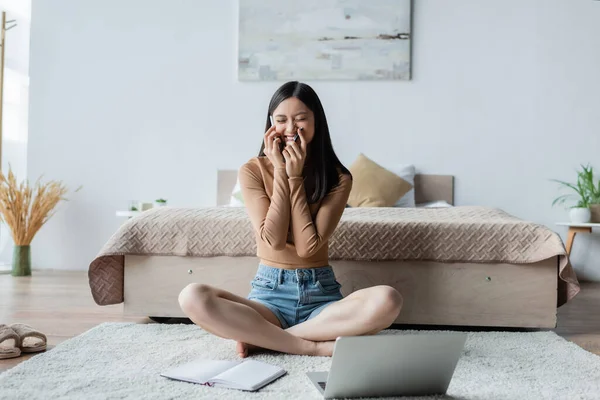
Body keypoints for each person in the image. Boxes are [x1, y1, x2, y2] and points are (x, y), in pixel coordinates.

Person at [178, 81, 403, 358]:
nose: (290, 129)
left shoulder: (338, 178)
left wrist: (295, 177)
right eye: (281, 120)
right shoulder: (252, 170)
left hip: (321, 298)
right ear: (270, 124)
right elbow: (272, 240)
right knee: (192, 296)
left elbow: (308, 248)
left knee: (388, 299)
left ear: (316, 122)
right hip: (268, 297)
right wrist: (281, 171)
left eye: (300, 119)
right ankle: (311, 346)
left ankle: (266, 340)